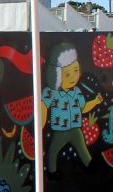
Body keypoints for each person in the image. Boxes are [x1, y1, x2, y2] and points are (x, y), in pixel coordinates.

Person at [41, 43, 101, 173]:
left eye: (76, 70)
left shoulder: (77, 92)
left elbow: (82, 109)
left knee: (83, 149)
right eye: (68, 74)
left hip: (75, 129)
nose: (74, 77)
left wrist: (95, 101)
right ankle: (52, 172)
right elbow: (43, 105)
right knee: (53, 152)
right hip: (60, 131)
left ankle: (90, 166)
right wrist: (41, 122)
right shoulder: (52, 92)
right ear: (57, 77)